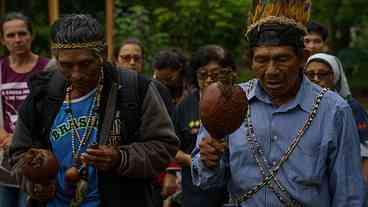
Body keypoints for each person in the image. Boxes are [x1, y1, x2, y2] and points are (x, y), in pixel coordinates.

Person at [192, 0, 365, 206]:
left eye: (282, 59)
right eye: (262, 60)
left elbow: (349, 195)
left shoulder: (335, 111)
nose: (272, 70)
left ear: (302, 58)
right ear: (250, 60)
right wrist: (208, 162)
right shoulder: (227, 101)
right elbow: (206, 181)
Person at [8, 14, 179, 207]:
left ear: (103, 54)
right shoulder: (42, 93)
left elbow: (165, 146)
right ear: (55, 57)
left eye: (85, 63)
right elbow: (17, 154)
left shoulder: (134, 89)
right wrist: (35, 184)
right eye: (66, 65)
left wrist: (121, 158)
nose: (76, 74)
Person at [173, 44, 234, 207]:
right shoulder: (185, 105)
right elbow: (169, 147)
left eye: (215, 75)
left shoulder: (237, 101)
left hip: (231, 193)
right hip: (195, 193)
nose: (209, 80)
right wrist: (194, 161)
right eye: (203, 75)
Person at [0, 12, 49, 207]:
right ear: (3, 40)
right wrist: (5, 139)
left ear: (31, 35)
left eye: (22, 33)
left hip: (38, 159)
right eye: (11, 35)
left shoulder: (49, 68)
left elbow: (53, 114)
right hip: (5, 159)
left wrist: (23, 141)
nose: (17, 40)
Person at [305, 53, 368, 182]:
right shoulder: (298, 106)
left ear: (334, 76)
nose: (316, 78)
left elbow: (365, 152)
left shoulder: (350, 107)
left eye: (322, 74)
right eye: (310, 74)